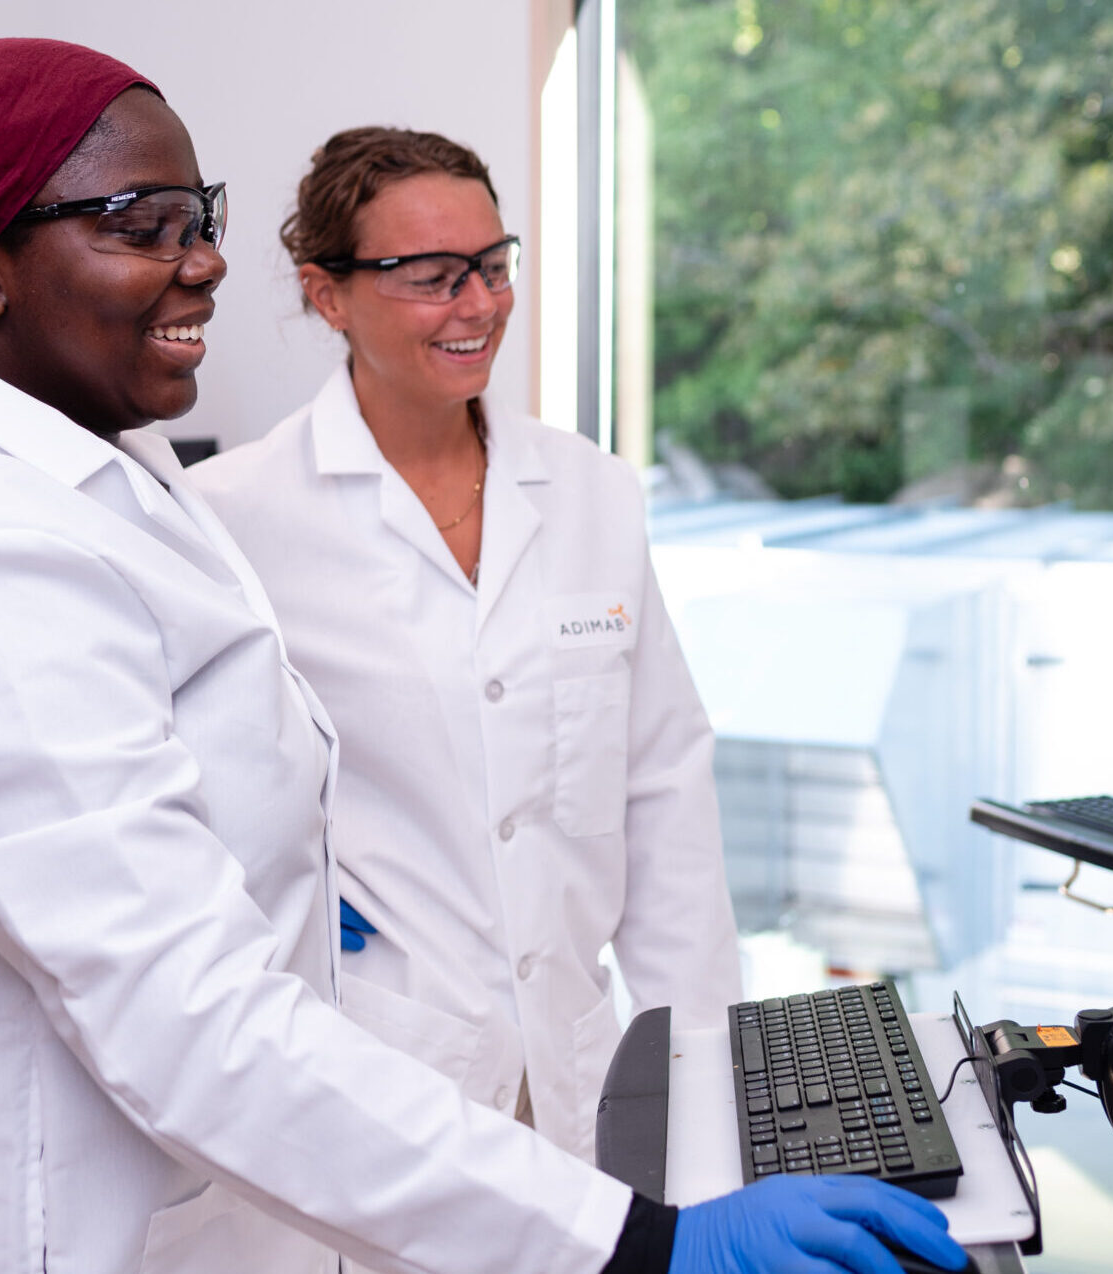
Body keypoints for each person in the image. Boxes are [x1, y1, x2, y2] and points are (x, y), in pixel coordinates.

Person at [0, 37, 969, 1274]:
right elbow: (189, 1018)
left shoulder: (117, 485)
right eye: (142, 221)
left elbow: (658, 789)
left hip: (285, 1146)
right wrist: (636, 1244)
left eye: (202, 216)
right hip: (34, 1210)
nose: (205, 259)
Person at [188, 127, 743, 1162]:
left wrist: (704, 1074)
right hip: (378, 1073)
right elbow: (205, 805)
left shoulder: (588, 491)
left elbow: (662, 794)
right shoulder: (234, 515)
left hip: (583, 1072)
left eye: (493, 265)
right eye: (433, 277)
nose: (479, 304)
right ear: (327, 293)